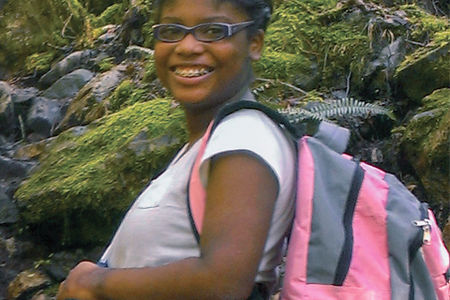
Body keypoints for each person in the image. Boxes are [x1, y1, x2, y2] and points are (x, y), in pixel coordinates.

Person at [56, 0, 295, 299]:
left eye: (213, 31)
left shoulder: (243, 137)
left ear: (254, 43)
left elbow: (223, 284)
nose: (187, 46)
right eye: (171, 30)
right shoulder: (209, 142)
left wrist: (93, 284)